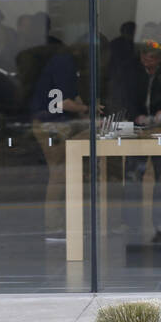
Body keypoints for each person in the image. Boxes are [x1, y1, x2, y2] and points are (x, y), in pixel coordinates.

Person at [107, 39, 161, 240]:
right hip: (137, 126)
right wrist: (137, 115)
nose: (148, 63)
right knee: (133, 175)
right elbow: (125, 97)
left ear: (160, 59)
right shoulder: (132, 71)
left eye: (152, 60)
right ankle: (130, 222)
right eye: (145, 59)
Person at [29, 45, 90, 241]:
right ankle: (54, 227)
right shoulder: (65, 64)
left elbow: (71, 97)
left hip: (54, 123)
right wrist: (87, 108)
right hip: (50, 125)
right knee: (58, 173)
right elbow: (64, 102)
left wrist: (85, 110)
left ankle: (60, 224)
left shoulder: (61, 63)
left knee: (62, 173)